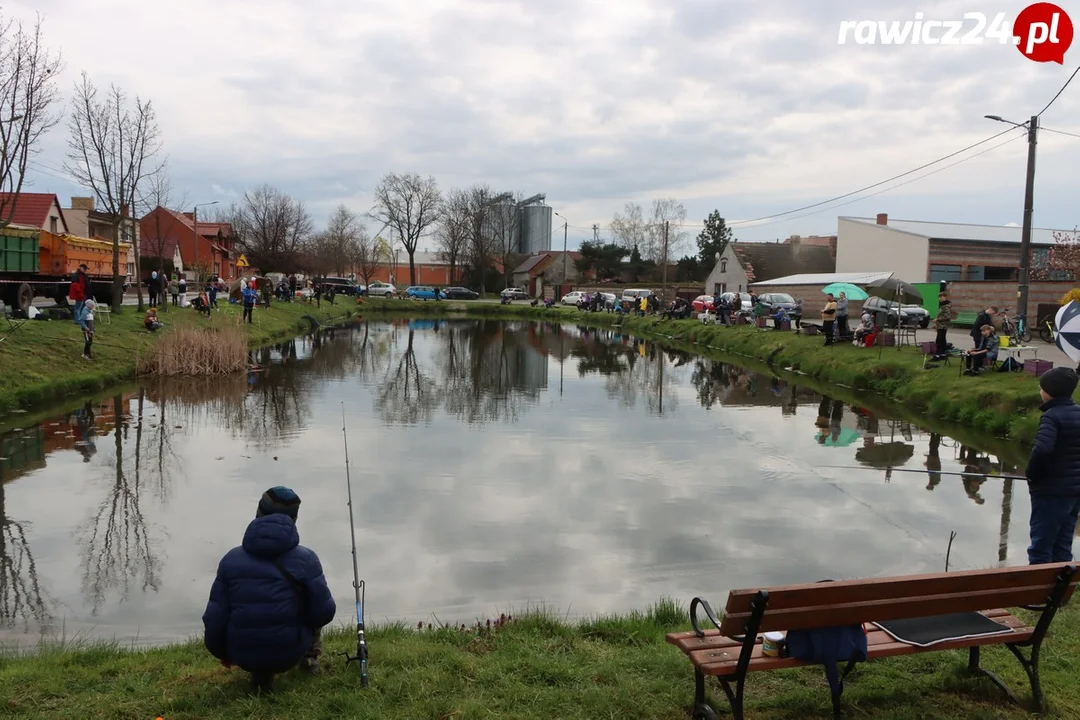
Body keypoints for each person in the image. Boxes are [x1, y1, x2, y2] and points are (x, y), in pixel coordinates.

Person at [202, 486, 336, 694]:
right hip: (289, 651)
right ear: (293, 520)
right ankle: (309, 661)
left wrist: (223, 652)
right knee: (312, 603)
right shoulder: (306, 559)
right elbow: (324, 613)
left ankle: (259, 673)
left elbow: (214, 618)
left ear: (258, 514)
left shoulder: (230, 560)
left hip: (241, 653)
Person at [1024, 367, 1080, 564]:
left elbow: (1042, 450)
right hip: (1074, 492)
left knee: (1040, 547)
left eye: (1041, 388)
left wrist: (1031, 475)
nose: (1040, 391)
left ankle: (1037, 591)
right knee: (1063, 544)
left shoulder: (1051, 416)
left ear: (1049, 392)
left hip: (1050, 492)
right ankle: (1060, 592)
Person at [934, 292, 954, 356]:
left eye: (941, 297)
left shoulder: (946, 306)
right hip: (940, 326)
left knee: (939, 340)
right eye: (939, 297)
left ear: (945, 297)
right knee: (941, 340)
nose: (939, 299)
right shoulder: (942, 306)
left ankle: (939, 353)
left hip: (943, 326)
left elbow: (947, 316)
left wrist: (938, 319)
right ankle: (942, 353)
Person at [70, 263, 89, 328]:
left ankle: (79, 319)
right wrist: (80, 293)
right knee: (78, 308)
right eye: (85, 269)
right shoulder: (77, 276)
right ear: (81, 268)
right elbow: (75, 285)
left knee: (79, 308)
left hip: (82, 293)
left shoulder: (82, 275)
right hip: (80, 294)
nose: (85, 270)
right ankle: (78, 320)